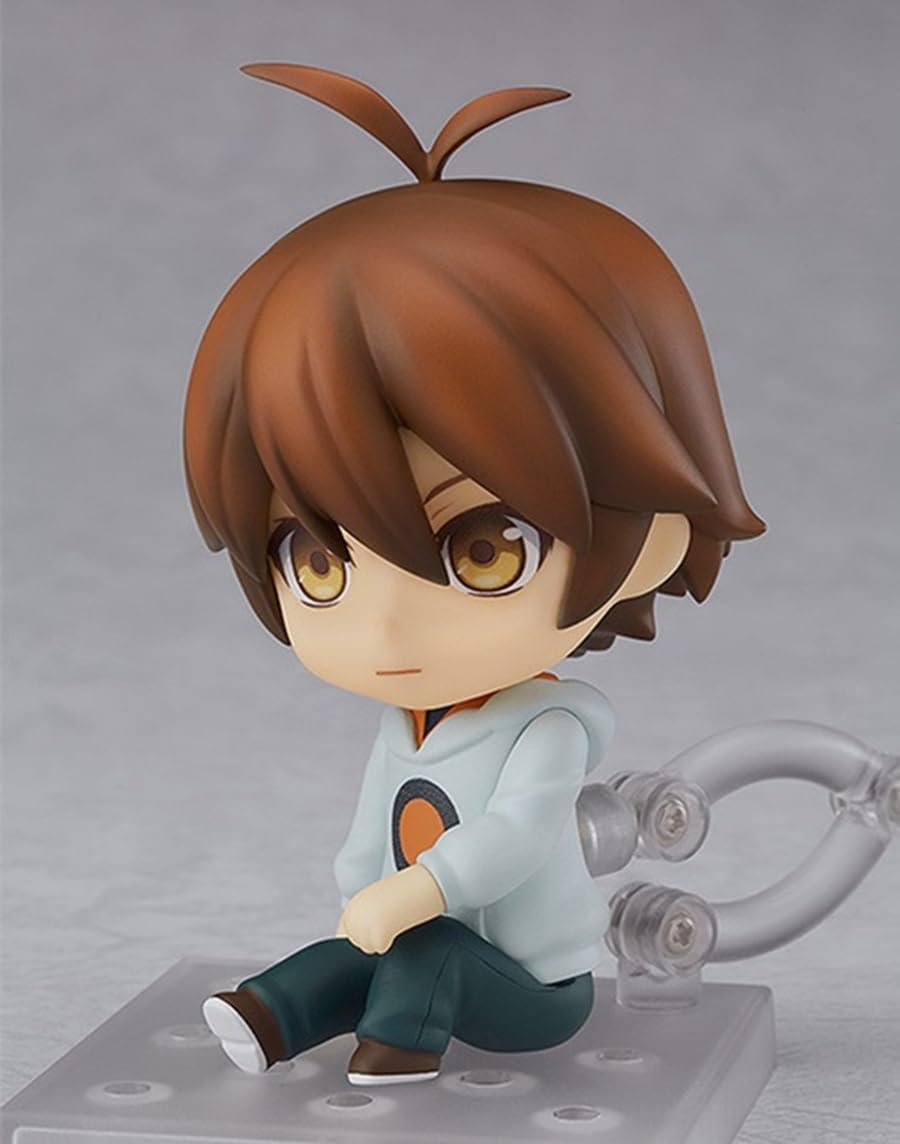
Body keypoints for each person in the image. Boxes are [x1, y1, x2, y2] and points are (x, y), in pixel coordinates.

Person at [183, 63, 764, 1084]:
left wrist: (413, 894)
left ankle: (399, 1053)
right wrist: (364, 885)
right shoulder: (408, 720)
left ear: (657, 532)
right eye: (316, 560)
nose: (388, 630)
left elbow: (511, 837)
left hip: (534, 987)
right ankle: (266, 1018)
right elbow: (373, 823)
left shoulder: (546, 726)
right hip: (418, 931)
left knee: (430, 952)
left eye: (482, 550)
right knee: (359, 951)